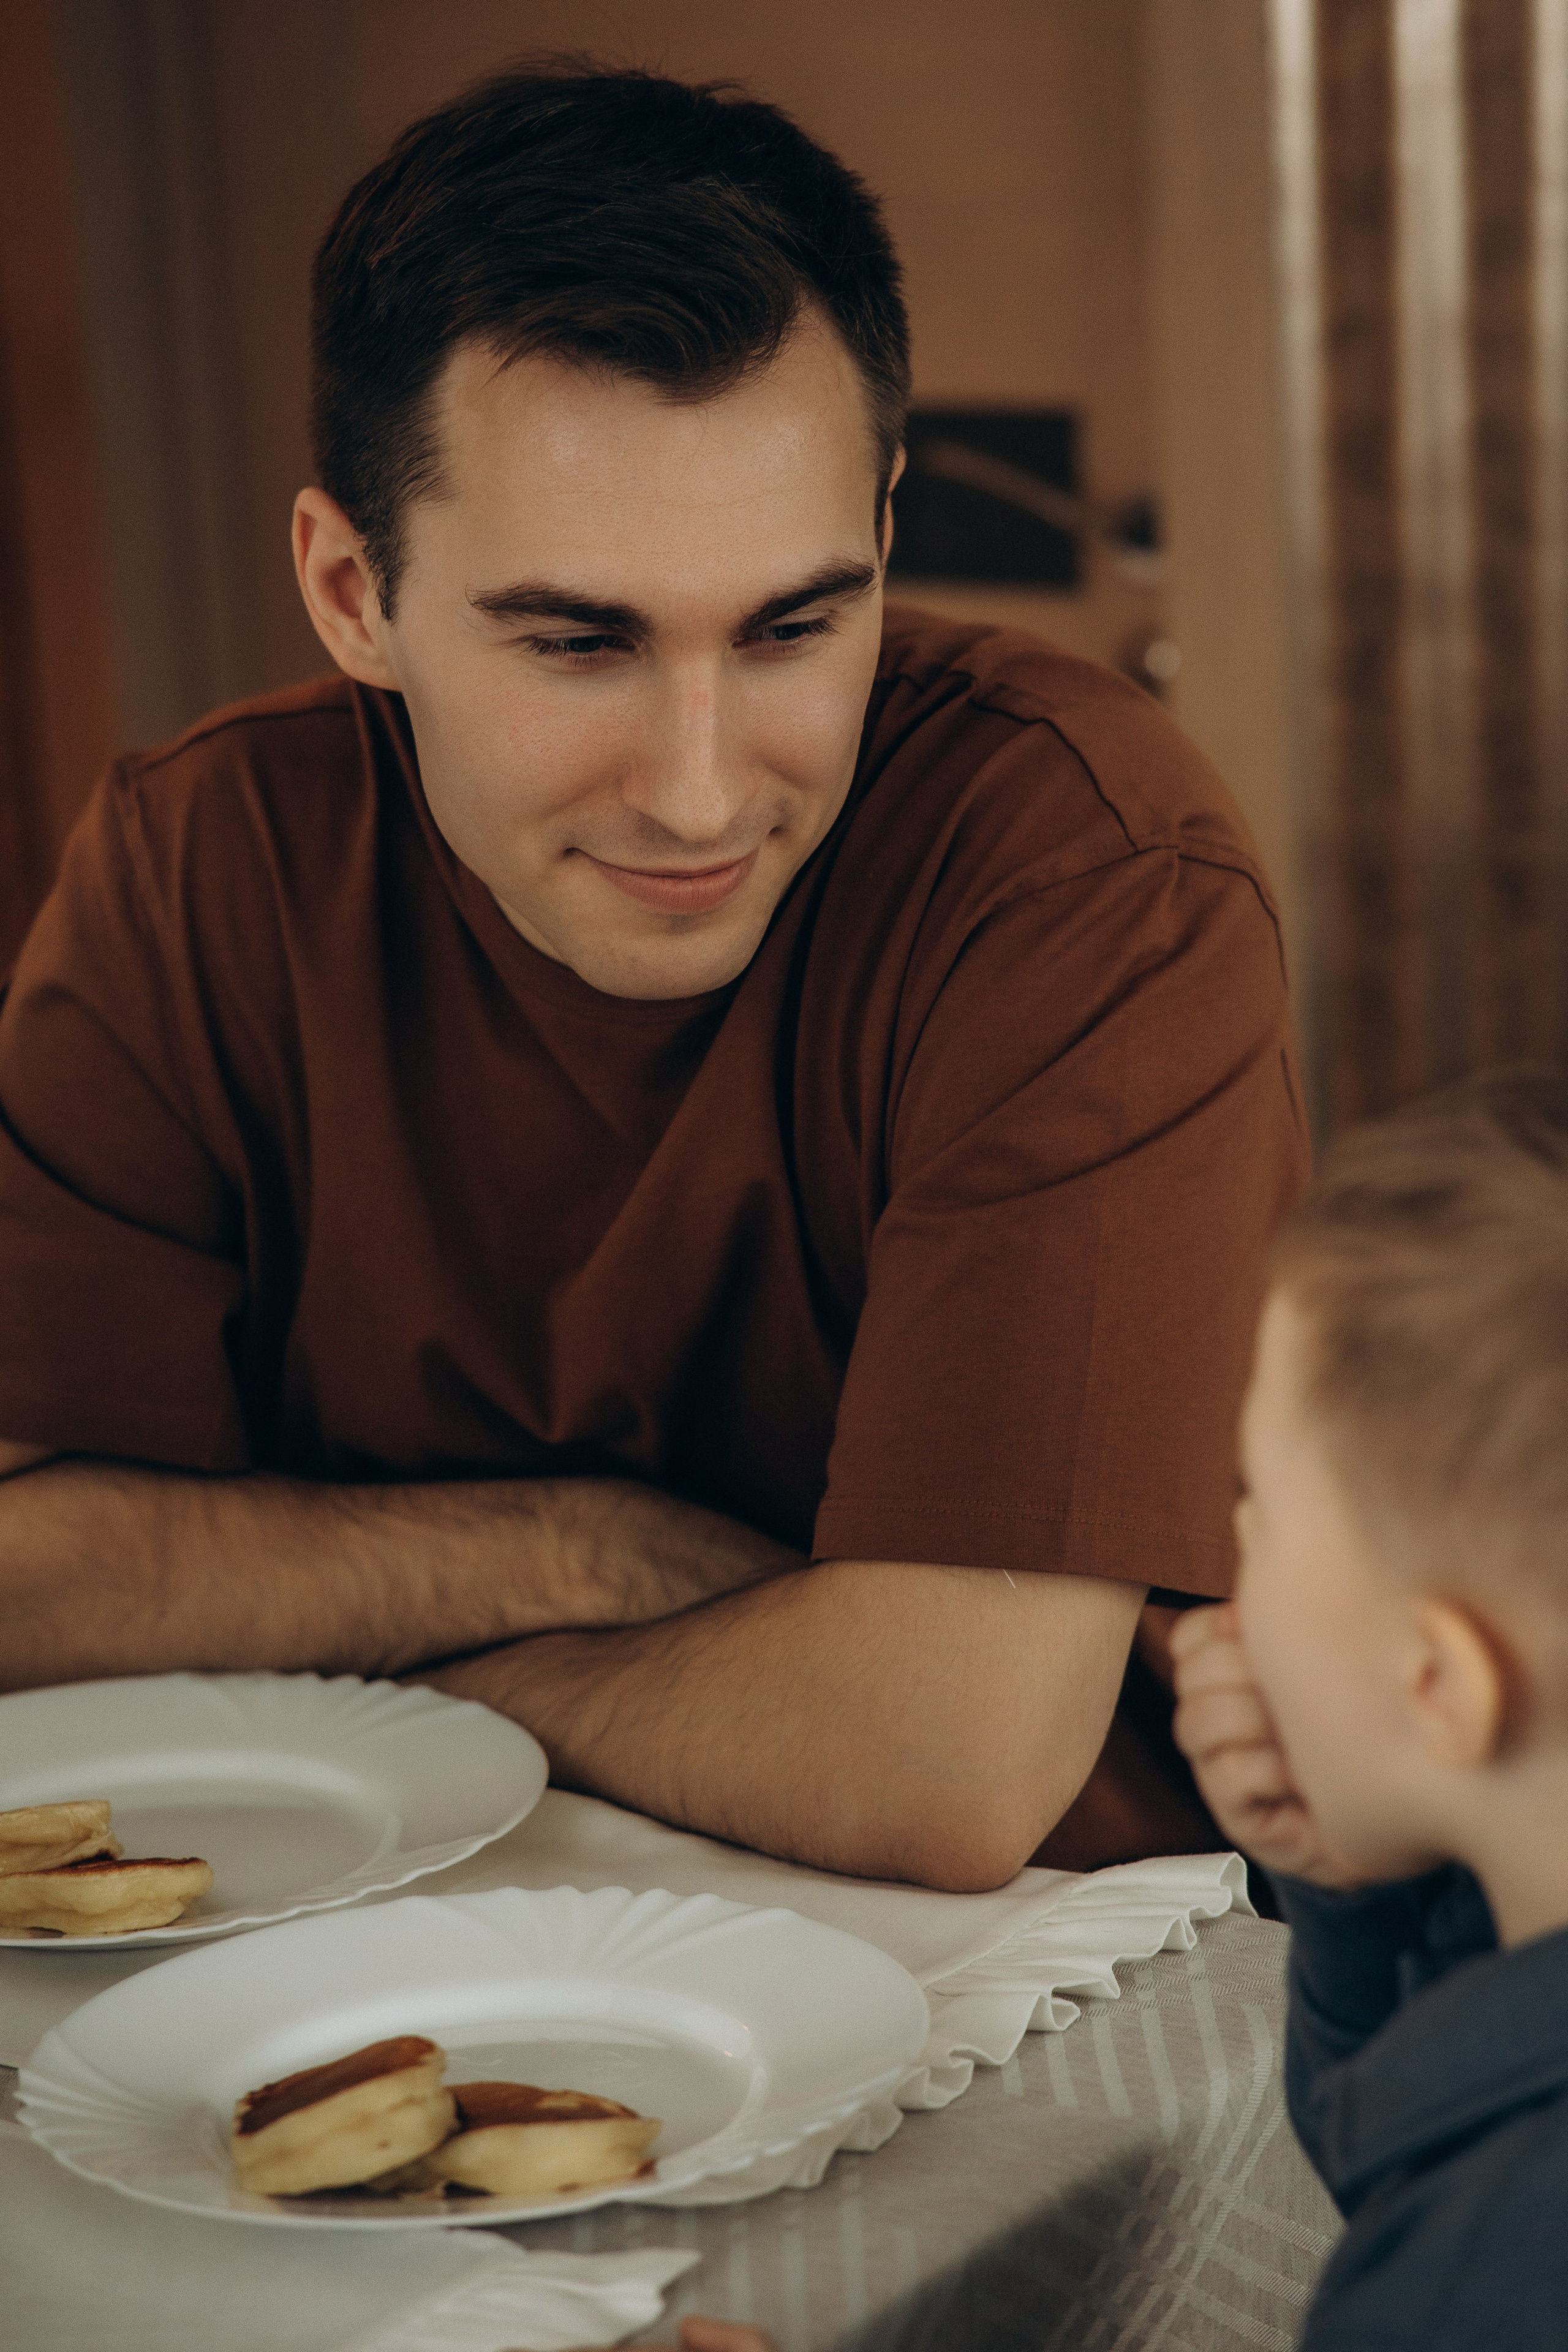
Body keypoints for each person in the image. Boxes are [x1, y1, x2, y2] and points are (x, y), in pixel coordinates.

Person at [0, 63, 1303, 1889]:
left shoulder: (1080, 871)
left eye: (793, 624)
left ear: (888, 536)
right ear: (349, 588)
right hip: (381, 1944)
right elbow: (31, 1584)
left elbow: (944, 1765)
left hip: (1041, 1974)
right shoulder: (199, 863)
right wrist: (582, 1556)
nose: (701, 790)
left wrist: (328, 1630)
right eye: (577, 641)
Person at [1169, 1068, 1568, 2346]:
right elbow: (1415, 2156)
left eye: (1262, 1510)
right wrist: (1352, 1896)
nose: (1228, 1549)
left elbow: (1436, 2232)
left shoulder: (1480, 2272)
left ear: (1435, 1685)